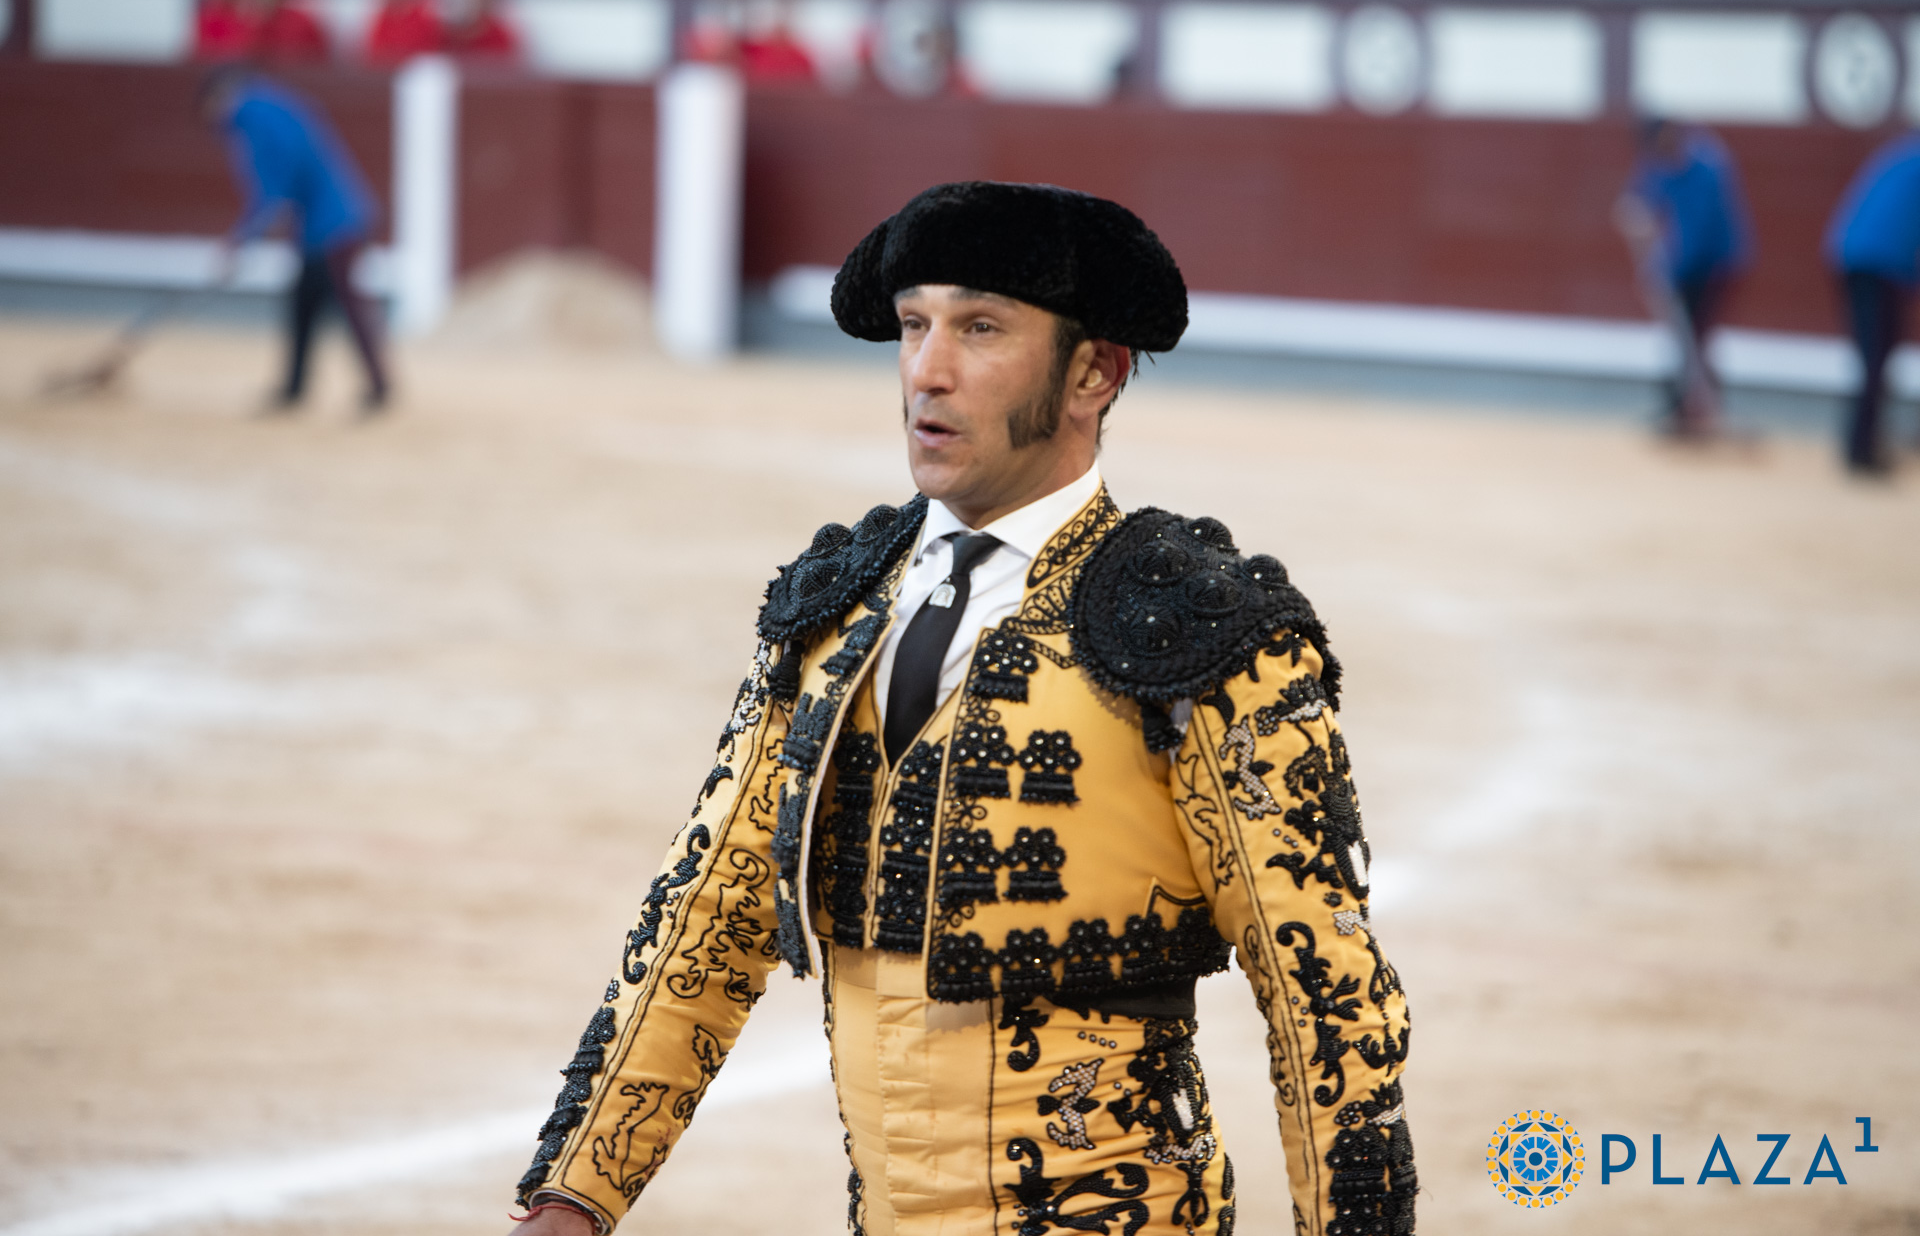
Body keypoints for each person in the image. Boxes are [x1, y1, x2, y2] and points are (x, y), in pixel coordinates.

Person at [509, 182, 1416, 1236]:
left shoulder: (1199, 631)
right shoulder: (837, 605)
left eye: (980, 329)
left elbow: (1325, 999)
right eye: (913, 326)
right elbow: (712, 911)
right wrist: (574, 1192)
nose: (926, 371)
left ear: (1093, 373)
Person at [199, 68, 393, 415]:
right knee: (308, 304)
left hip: (331, 228)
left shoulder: (253, 116)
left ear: (219, 97)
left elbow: (272, 189)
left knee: (345, 305)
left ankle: (374, 386)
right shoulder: (274, 105)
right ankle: (298, 387)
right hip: (331, 223)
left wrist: (240, 241)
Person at [1617, 118, 1753, 441]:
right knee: (1685, 336)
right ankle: (1688, 409)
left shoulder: (1707, 164)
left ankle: (1698, 408)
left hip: (1718, 263)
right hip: (1686, 263)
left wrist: (1667, 274)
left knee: (1696, 334)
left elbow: (1702, 230)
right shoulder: (1658, 162)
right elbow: (1635, 203)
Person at [1826, 132, 1920, 476]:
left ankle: (1863, 443)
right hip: (1880, 265)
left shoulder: (1902, 154)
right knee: (1877, 357)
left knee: (1875, 357)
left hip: (1856, 256)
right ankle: (1861, 449)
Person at [364, 0, 442, 65]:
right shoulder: (384, 18)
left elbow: (431, 49)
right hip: (389, 67)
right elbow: (376, 50)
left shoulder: (422, 17)